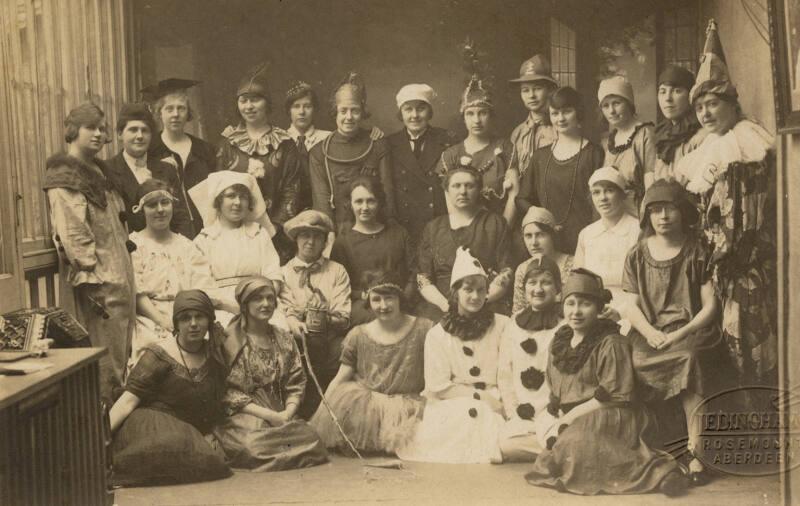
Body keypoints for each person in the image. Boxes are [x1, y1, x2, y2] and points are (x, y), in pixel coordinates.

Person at [674, 19, 777, 388]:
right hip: (718, 269)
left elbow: (737, 225)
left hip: (739, 268)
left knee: (746, 349)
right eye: (699, 107)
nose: (705, 113)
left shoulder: (743, 151)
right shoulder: (711, 148)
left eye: (713, 104)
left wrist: (716, 261)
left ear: (732, 104)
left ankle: (759, 424)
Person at [525, 269, 686, 496]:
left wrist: (570, 417)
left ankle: (660, 474)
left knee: (575, 443)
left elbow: (615, 396)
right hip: (578, 416)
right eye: (571, 303)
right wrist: (562, 416)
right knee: (554, 456)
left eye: (585, 304)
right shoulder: (560, 341)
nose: (576, 312)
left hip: (613, 412)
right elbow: (556, 388)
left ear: (600, 308)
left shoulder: (611, 342)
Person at [622, 180, 731, 486]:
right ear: (647, 216)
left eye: (669, 209)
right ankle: (641, 451)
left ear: (682, 212)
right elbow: (629, 304)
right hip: (649, 331)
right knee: (626, 360)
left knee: (689, 359)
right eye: (655, 210)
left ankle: (696, 453)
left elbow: (710, 305)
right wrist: (649, 331)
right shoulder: (637, 254)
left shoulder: (697, 251)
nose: (663, 217)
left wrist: (680, 331)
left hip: (689, 330)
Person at [42, 102, 136, 401]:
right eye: (90, 127)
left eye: (102, 128)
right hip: (98, 286)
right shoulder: (65, 177)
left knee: (121, 355)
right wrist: (90, 279)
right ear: (72, 131)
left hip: (119, 278)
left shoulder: (99, 171)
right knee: (102, 359)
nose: (99, 134)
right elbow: (73, 234)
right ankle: (103, 430)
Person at [397, 248, 510, 463]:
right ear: (455, 292)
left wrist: (500, 401)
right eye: (468, 289)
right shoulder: (438, 335)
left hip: (496, 397)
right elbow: (439, 386)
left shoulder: (503, 325)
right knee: (467, 418)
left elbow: (507, 371)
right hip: (451, 402)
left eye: (480, 290)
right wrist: (480, 397)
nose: (475, 296)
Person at [109, 290, 230, 486]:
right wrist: (99, 437)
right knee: (173, 444)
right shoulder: (159, 355)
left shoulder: (215, 350)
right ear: (176, 324)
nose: (193, 324)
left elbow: (248, 317)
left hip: (189, 427)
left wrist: (220, 303)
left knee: (211, 459)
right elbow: (127, 402)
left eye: (199, 316)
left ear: (209, 320)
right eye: (185, 318)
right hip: (152, 422)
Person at [310, 273, 433, 454]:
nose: (383, 306)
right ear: (369, 302)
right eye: (376, 299)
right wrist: (321, 415)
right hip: (369, 409)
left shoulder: (424, 328)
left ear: (400, 299)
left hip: (410, 404)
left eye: (389, 298)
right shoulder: (359, 334)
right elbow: (340, 378)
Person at [214, 277, 328, 471]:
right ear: (245, 304)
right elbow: (228, 393)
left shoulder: (283, 338)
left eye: (270, 298)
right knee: (252, 447)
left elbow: (296, 382)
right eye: (257, 299)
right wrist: (269, 416)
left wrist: (287, 413)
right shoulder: (230, 341)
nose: (265, 304)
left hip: (281, 411)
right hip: (246, 414)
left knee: (313, 440)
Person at [128, 178, 220, 367]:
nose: (160, 210)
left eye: (165, 203)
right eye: (152, 205)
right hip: (151, 316)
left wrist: (188, 318)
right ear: (141, 210)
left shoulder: (187, 246)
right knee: (157, 351)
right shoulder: (134, 245)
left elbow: (202, 289)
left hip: (189, 314)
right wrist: (164, 321)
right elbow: (138, 295)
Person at [217, 64, 301, 262]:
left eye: (255, 100)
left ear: (267, 103)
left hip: (274, 236)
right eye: (243, 100)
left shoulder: (285, 144)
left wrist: (274, 228)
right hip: (233, 233)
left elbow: (292, 189)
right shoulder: (228, 142)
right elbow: (218, 188)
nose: (249, 106)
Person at [416, 159, 512, 321]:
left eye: (469, 186)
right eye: (456, 186)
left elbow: (507, 270)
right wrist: (445, 305)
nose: (463, 191)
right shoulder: (433, 227)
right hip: (442, 307)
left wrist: (480, 300)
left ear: (479, 189)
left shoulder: (494, 223)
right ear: (447, 191)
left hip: (485, 302)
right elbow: (423, 277)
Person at [279, 210, 352, 419]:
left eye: (317, 237)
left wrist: (320, 318)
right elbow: (286, 310)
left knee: (342, 351)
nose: (310, 242)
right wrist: (295, 322)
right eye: (305, 235)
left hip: (328, 339)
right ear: (296, 239)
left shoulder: (337, 271)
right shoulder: (283, 273)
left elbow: (343, 315)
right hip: (295, 341)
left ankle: (328, 415)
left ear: (324, 242)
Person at [517, 86, 604, 254]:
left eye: (567, 111)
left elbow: (599, 203)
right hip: (546, 242)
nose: (560, 118)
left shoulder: (594, 153)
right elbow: (522, 198)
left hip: (585, 238)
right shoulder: (541, 156)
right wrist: (540, 218)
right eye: (555, 113)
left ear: (577, 112)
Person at [191, 171, 284, 326]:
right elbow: (203, 286)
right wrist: (234, 307)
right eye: (231, 196)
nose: (237, 202)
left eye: (243, 197)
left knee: (278, 329)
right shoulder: (204, 240)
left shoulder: (259, 234)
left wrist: (262, 302)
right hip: (222, 309)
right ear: (219, 201)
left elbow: (273, 275)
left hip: (262, 304)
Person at [309, 72, 395, 230]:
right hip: (338, 231)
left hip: (376, 228)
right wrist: (330, 237)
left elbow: (388, 196)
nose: (349, 117)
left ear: (362, 112)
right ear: (335, 112)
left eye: (354, 111)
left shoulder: (377, 144)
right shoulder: (319, 153)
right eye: (343, 111)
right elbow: (322, 202)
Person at [498, 255, 563, 461]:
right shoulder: (514, 324)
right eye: (532, 283)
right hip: (523, 412)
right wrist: (513, 411)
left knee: (561, 434)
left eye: (546, 282)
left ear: (557, 288)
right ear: (524, 288)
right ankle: (553, 449)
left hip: (556, 410)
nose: (538, 289)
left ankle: (556, 445)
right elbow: (505, 373)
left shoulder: (566, 323)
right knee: (504, 446)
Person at [331, 177, 416, 325]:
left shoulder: (398, 233)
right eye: (359, 201)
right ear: (350, 204)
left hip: (400, 301)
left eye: (371, 201)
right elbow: (339, 282)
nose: (365, 207)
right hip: (364, 305)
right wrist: (364, 295)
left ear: (379, 203)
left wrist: (403, 299)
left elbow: (414, 272)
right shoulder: (343, 242)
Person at [104, 103, 193, 237]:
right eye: (133, 130)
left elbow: (181, 218)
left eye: (145, 130)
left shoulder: (166, 169)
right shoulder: (107, 171)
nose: (140, 136)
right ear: (120, 134)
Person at [436, 76, 516, 224]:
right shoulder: (450, 156)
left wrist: (502, 232)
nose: (477, 120)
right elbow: (452, 208)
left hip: (502, 227)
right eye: (470, 113)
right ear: (463, 118)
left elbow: (513, 196)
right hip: (464, 231)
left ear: (491, 116)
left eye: (482, 113)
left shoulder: (505, 148)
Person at [144, 78, 217, 238]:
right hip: (166, 230)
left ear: (188, 113)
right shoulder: (150, 150)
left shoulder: (204, 150)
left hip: (205, 230)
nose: (175, 114)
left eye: (181, 109)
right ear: (159, 113)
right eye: (169, 109)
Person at [387, 83, 454, 244]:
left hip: (439, 226)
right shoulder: (388, 144)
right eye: (408, 109)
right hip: (403, 228)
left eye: (421, 108)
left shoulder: (447, 139)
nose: (414, 115)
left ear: (430, 112)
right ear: (400, 113)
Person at [573, 167, 640, 318]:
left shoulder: (637, 231)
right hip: (591, 312)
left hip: (633, 312)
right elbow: (579, 282)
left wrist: (620, 312)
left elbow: (647, 286)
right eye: (596, 192)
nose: (602, 198)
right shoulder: (586, 234)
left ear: (622, 195)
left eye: (609, 190)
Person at [598, 75, 656, 216]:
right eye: (606, 105)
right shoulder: (608, 141)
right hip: (614, 212)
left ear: (629, 104)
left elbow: (651, 181)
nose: (611, 111)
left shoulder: (645, 134)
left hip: (639, 210)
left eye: (617, 103)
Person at [512, 206, 574, 314]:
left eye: (540, 235)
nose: (534, 242)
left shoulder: (573, 263)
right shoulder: (523, 269)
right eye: (528, 236)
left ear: (552, 236)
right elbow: (518, 311)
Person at [508, 54, 558, 179]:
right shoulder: (518, 133)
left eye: (538, 88)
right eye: (525, 90)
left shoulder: (559, 128)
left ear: (550, 90)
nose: (531, 96)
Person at [653, 65, 706, 182]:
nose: (667, 98)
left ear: (690, 96)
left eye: (677, 91)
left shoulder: (701, 136)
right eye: (662, 91)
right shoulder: (662, 135)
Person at [285, 81, 331, 211]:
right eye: (296, 106)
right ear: (289, 110)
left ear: (315, 109)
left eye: (307, 106)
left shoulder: (328, 138)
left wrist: (372, 132)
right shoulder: (279, 139)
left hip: (321, 206)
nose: (302, 112)